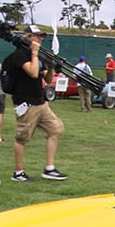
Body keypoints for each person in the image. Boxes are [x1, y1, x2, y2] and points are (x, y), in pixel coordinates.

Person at [8, 24, 67, 182]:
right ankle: (18, 173)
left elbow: (47, 79)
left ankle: (49, 169)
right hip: (26, 104)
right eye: (38, 36)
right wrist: (34, 53)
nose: (41, 38)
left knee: (55, 130)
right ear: (28, 37)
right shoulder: (20, 55)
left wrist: (51, 65)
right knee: (22, 138)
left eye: (41, 36)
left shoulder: (37, 56)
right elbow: (33, 73)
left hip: (41, 102)